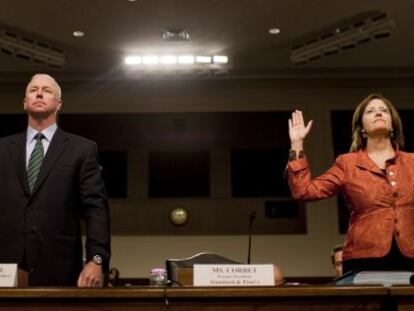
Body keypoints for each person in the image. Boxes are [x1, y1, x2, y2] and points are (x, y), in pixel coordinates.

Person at [0, 73, 111, 287]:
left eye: (47, 90)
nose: (39, 93)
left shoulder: (82, 149)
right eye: (33, 90)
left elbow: (96, 209)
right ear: (24, 103)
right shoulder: (2, 149)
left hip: (59, 266)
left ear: (59, 104)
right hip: (5, 266)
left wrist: (97, 259)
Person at [286, 93, 414, 274]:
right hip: (363, 258)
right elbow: (304, 191)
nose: (378, 113)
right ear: (361, 127)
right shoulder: (347, 163)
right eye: (371, 111)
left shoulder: (412, 162)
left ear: (392, 123)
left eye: (384, 110)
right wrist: (297, 143)